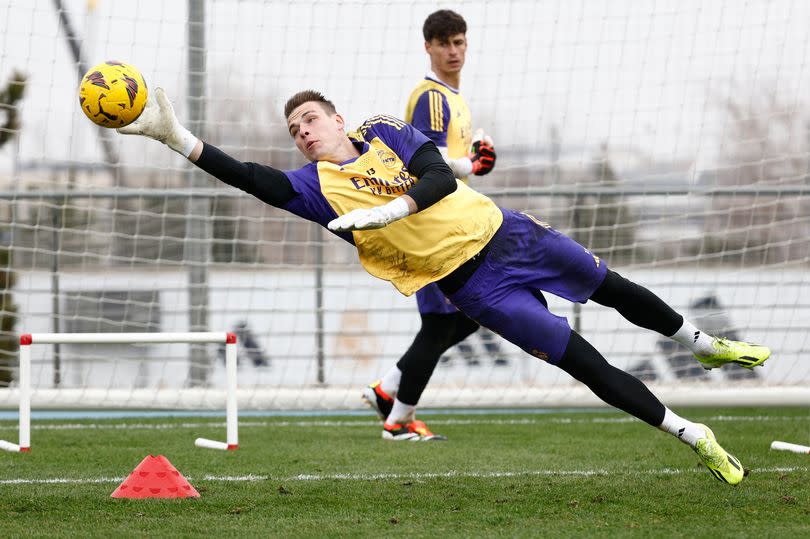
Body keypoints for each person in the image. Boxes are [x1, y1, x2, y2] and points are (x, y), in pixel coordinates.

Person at [117, 85, 770, 485]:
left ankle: (700, 339)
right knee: (584, 362)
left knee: (612, 287)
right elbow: (249, 177)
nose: (304, 133)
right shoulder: (313, 189)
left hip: (510, 233)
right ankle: (692, 435)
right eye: (295, 130)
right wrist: (179, 139)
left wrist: (394, 209)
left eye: (310, 120)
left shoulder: (385, 133)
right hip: (475, 285)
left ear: (337, 118)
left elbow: (438, 176)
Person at [361, 10, 503, 442]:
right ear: (429, 47)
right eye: (444, 43)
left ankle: (388, 390)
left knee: (470, 317)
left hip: (448, 224)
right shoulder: (432, 98)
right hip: (429, 228)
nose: (453, 51)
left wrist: (475, 161)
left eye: (459, 42)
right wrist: (472, 165)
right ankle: (398, 422)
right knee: (442, 325)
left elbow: (451, 163)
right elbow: (434, 167)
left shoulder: (454, 98)